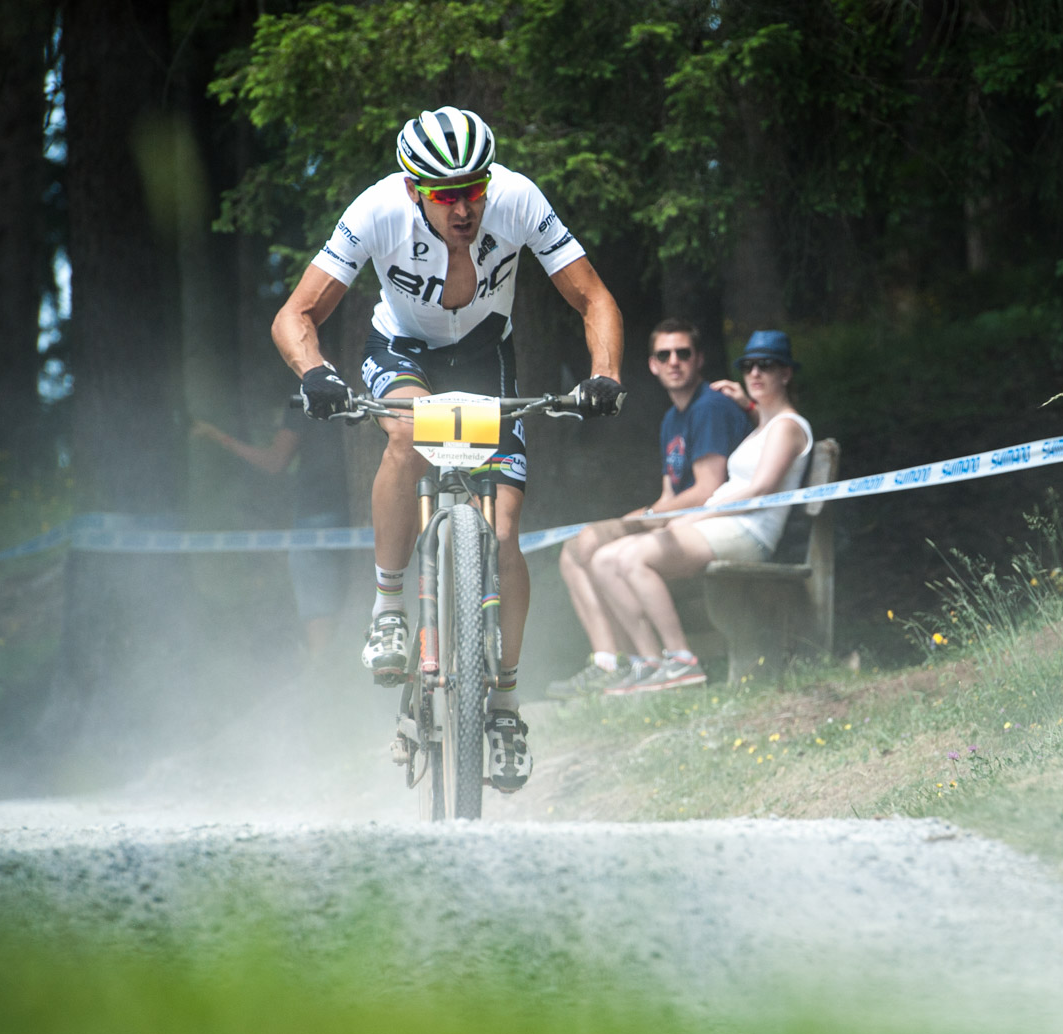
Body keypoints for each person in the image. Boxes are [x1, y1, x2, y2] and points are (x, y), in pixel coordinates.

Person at [270, 105, 627, 777]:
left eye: (474, 189)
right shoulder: (377, 209)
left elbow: (594, 298)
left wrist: (605, 375)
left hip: (486, 356)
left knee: (504, 535)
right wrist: (315, 372)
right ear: (414, 190)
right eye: (447, 194)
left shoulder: (517, 199)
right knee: (408, 432)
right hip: (402, 353)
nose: (464, 207)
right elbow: (296, 312)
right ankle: (388, 608)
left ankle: (507, 702)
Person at [589, 330, 813, 694]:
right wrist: (749, 406)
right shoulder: (765, 426)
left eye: (767, 366)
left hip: (749, 531)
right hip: (724, 524)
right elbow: (761, 435)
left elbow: (759, 490)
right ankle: (650, 663)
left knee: (632, 558)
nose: (755, 373)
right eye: (749, 366)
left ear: (785, 373)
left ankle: (681, 661)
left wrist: (696, 516)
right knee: (603, 560)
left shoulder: (788, 427)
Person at [547, 319, 751, 698]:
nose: (674, 361)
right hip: (677, 519)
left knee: (594, 548)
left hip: (709, 522)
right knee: (576, 550)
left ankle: (645, 660)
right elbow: (670, 492)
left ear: (699, 360)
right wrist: (640, 517)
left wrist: (646, 518)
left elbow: (707, 488)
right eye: (664, 355)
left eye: (683, 354)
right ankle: (615, 661)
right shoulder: (672, 418)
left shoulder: (709, 407)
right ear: (653, 365)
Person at [191, 393, 350, 656]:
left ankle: (320, 664)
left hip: (317, 512)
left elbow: (275, 461)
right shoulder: (347, 383)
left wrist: (219, 437)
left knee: (315, 592)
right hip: (346, 507)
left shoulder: (306, 394)